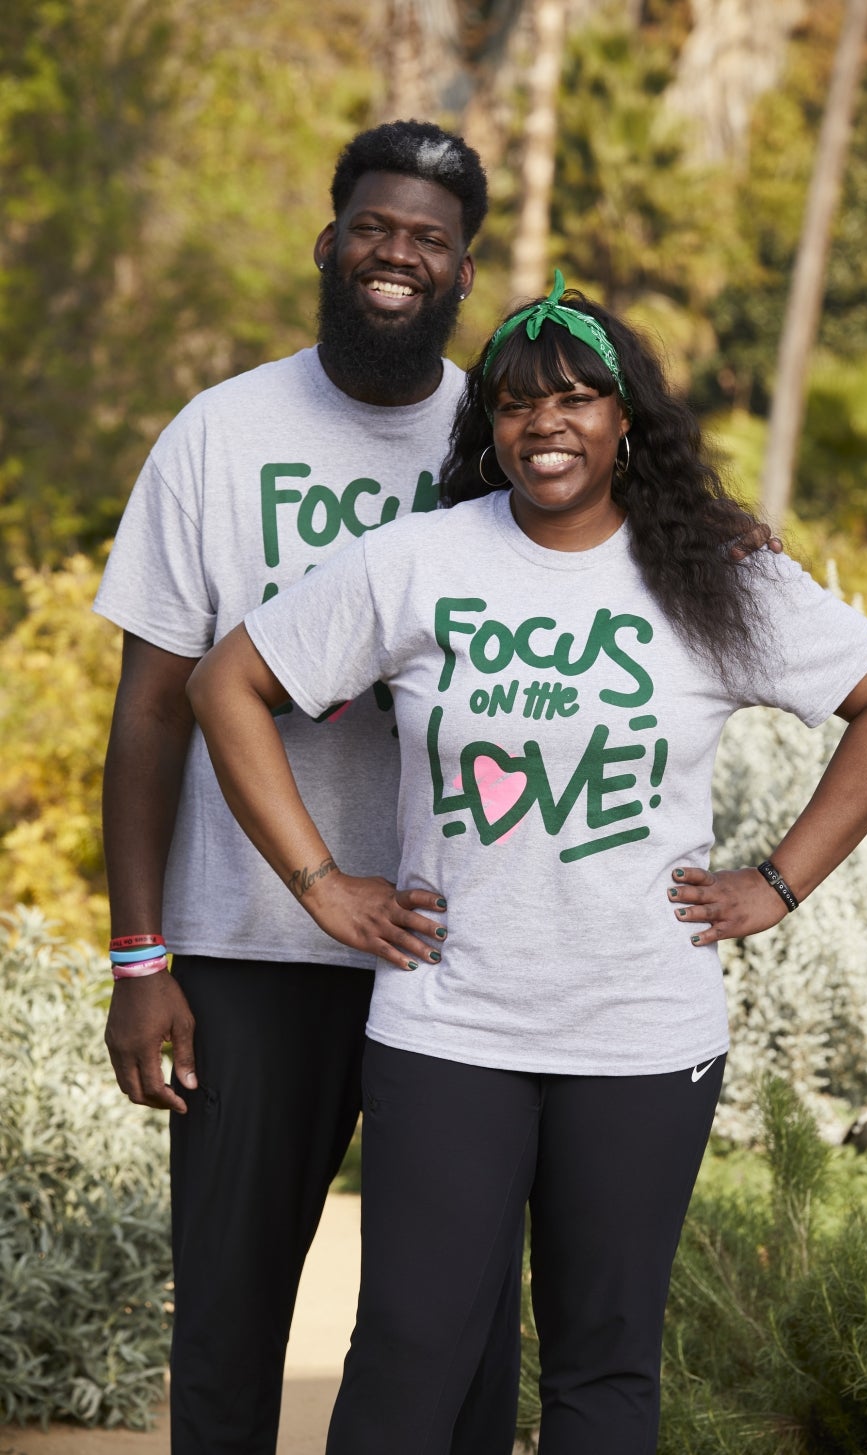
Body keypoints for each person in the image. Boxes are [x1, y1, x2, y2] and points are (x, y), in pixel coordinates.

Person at [185, 271, 867, 1455]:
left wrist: (777, 881)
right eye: (516, 401)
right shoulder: (422, 560)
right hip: (449, 1027)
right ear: (488, 424)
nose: (546, 423)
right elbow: (225, 682)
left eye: (578, 397)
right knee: (407, 1354)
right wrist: (318, 881)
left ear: (624, 417)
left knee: (602, 1364)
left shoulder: (712, 572)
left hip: (641, 1031)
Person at [94, 119, 524, 1455]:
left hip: (451, 953)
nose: (397, 255)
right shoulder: (219, 436)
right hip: (248, 948)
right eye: (374, 229)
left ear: (464, 269)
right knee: (227, 1326)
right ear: (329, 243)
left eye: (428, 239)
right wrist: (139, 958)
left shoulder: (504, 437)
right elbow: (150, 710)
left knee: (456, 1333)